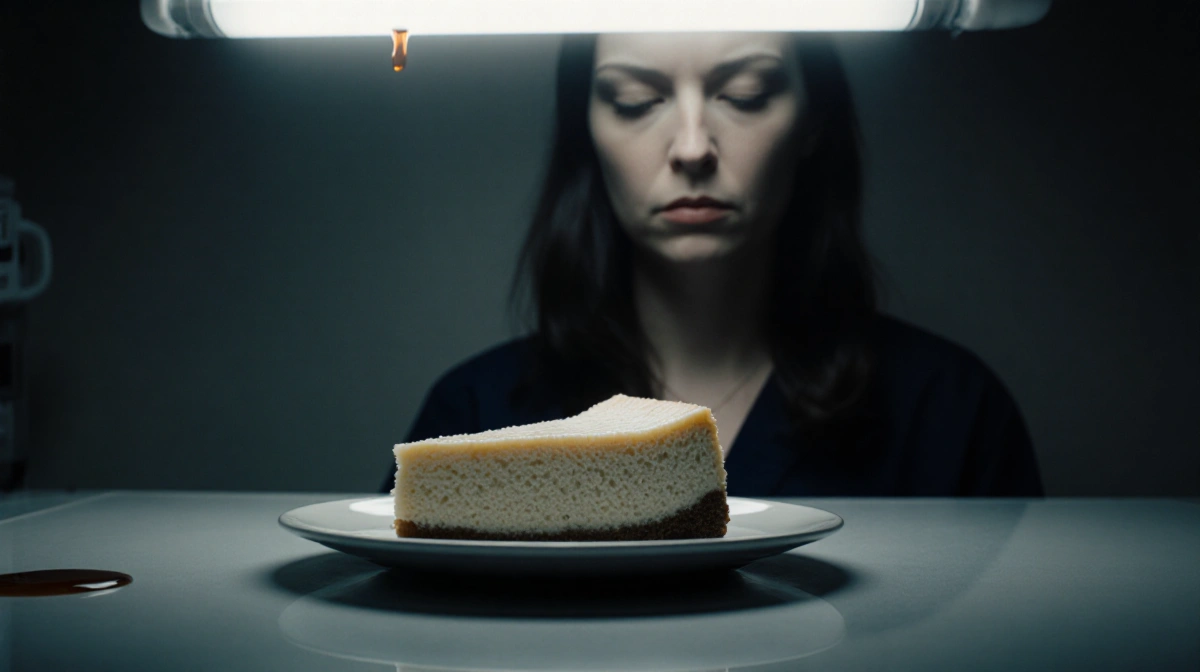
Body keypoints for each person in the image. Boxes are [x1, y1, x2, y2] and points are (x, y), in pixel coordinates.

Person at [381, 32, 1043, 497]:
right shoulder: (476, 414)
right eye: (637, 100)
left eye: (747, 93)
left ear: (813, 120)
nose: (693, 147)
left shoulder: (952, 416)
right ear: (586, 128)